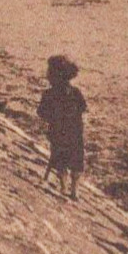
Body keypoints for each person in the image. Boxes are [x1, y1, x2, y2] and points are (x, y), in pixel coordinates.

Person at [38, 54, 88, 199]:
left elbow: (41, 112)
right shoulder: (75, 92)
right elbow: (83, 107)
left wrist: (53, 118)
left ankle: (63, 187)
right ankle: (74, 190)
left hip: (58, 132)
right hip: (74, 132)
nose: (47, 75)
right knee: (76, 160)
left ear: (56, 75)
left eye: (49, 72)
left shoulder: (49, 94)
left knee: (60, 159)